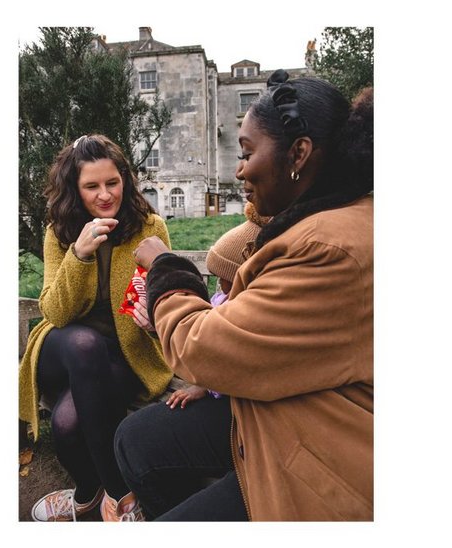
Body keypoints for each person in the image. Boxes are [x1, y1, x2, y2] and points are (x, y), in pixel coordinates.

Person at [120, 73, 374, 520]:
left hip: (320, 458)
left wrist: (166, 269)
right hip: (286, 406)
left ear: (298, 154)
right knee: (134, 438)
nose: (239, 169)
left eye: (247, 152)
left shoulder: (329, 247)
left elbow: (200, 346)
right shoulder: (330, 217)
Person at [17, 134, 174, 522]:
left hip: (122, 354)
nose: (105, 195)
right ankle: (122, 496)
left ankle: (86, 496)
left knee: (68, 424)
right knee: (84, 342)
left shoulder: (148, 226)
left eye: (112, 182)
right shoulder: (60, 231)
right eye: (92, 186)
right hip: (63, 348)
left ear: (125, 179)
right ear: (75, 188)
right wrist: (79, 254)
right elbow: (54, 311)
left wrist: (157, 317)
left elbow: (167, 292)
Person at [160, 201, 271, 409]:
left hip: (234, 401)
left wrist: (205, 387)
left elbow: (228, 361)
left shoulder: (243, 312)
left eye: (224, 278)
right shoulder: (221, 298)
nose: (219, 284)